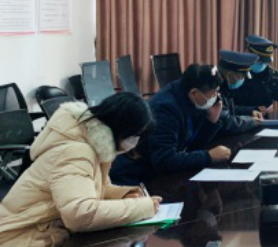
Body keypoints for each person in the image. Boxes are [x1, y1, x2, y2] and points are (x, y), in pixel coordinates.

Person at [0, 93, 160, 234]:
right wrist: (141, 208)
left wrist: (124, 196)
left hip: (39, 230)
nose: (135, 141)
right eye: (135, 135)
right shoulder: (75, 152)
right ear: (120, 126)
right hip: (20, 239)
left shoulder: (94, 144)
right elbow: (80, 215)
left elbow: (94, 190)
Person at [110, 64, 253, 186]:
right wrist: (208, 156)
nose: (216, 97)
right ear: (195, 92)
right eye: (214, 93)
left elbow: (190, 147)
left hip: (158, 173)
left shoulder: (191, 98)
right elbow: (164, 160)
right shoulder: (165, 110)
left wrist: (211, 121)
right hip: (134, 177)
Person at [232, 35, 278, 115]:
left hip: (263, 120)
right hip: (237, 120)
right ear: (247, 53)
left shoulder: (270, 74)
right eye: (259, 61)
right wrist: (251, 111)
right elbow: (226, 107)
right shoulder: (234, 74)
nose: (262, 65)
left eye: (265, 62)